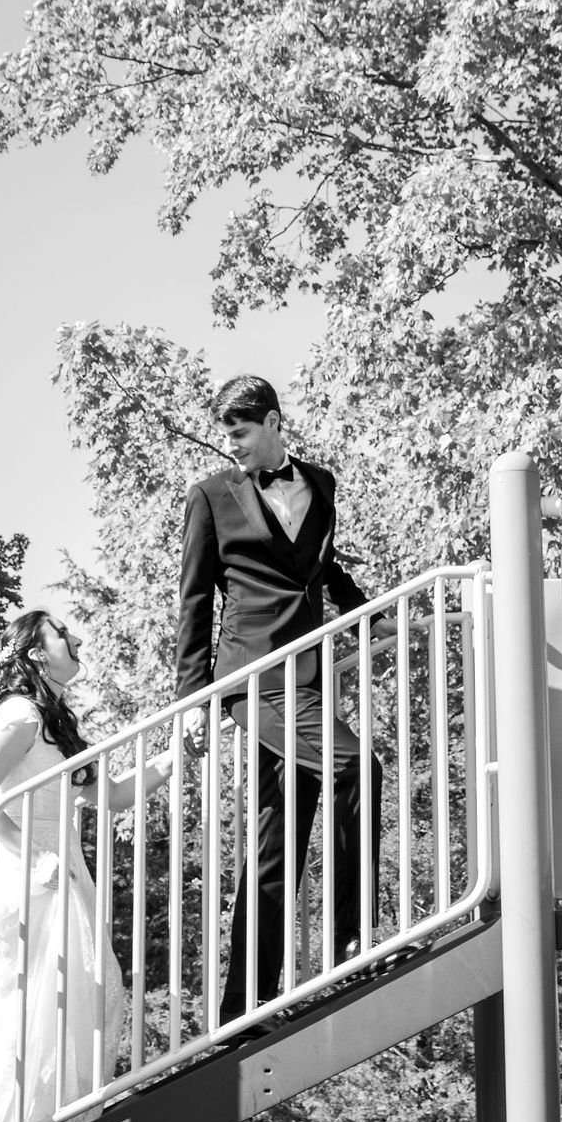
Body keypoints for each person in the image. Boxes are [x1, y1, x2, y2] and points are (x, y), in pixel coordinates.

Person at [174, 375, 385, 1036]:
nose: (229, 444)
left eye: (238, 431)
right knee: (358, 767)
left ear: (270, 421)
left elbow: (318, 568)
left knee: (276, 842)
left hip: (309, 676)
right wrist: (192, 698)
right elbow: (194, 600)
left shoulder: (320, 484)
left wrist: (364, 610)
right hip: (255, 679)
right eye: (225, 434)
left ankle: (243, 1007)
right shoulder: (210, 496)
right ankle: (353, 937)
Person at [0, 611, 171, 1122]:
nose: (77, 638)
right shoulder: (20, 713)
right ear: (34, 653)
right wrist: (35, 858)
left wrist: (178, 756)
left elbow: (114, 796)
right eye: (61, 632)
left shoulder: (54, 722)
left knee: (73, 1006)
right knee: (14, 1019)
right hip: (19, 880)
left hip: (60, 879)